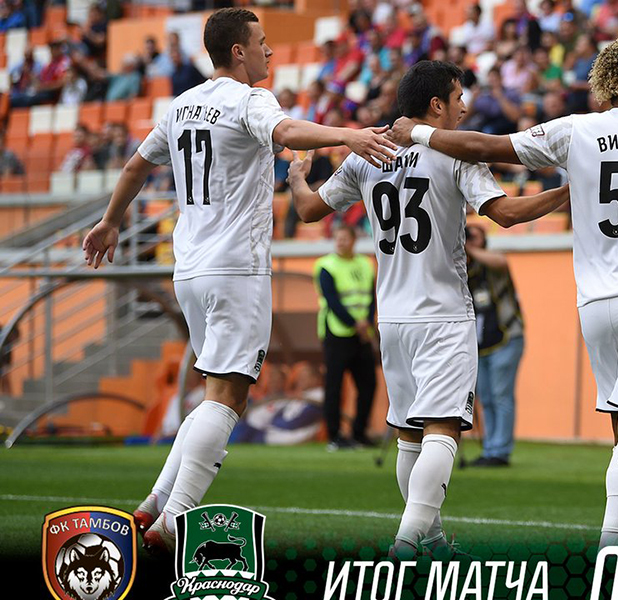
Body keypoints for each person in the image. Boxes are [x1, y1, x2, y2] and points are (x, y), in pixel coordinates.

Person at [387, 37, 618, 551]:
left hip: (595, 304)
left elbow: (487, 147)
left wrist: (416, 132)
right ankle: (612, 545)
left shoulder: (575, 130)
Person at [82, 7, 397, 555]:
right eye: (262, 41)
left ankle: (155, 502)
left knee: (214, 395)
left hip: (189, 270)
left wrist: (110, 221)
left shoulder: (181, 105)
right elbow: (287, 131)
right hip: (235, 268)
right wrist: (348, 134)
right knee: (228, 397)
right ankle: (172, 522)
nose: (269, 51)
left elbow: (135, 166)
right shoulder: (248, 99)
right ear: (238, 51)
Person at [288, 60, 570, 559]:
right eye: (458, 97)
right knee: (442, 431)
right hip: (443, 314)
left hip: (393, 319)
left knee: (408, 437)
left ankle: (432, 541)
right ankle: (405, 544)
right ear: (436, 105)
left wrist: (296, 178)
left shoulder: (368, 152)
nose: (464, 106)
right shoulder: (454, 151)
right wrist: (569, 191)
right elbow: (505, 214)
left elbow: (309, 210)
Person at [314, 225, 378, 450]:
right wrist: (355, 323)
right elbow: (332, 301)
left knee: (369, 384)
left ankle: (359, 433)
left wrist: (367, 322)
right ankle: (334, 436)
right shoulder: (325, 265)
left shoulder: (366, 264)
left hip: (362, 335)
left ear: (353, 240)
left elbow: (371, 297)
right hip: (337, 333)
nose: (340, 242)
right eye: (337, 239)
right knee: (334, 386)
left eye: (344, 238)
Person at [465, 224, 525, 467]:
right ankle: (490, 448)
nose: (469, 239)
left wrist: (468, 247)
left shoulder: (492, 262)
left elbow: (501, 262)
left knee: (501, 395)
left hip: (507, 337)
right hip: (480, 344)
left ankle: (500, 451)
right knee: (486, 397)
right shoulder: (465, 267)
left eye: (474, 236)